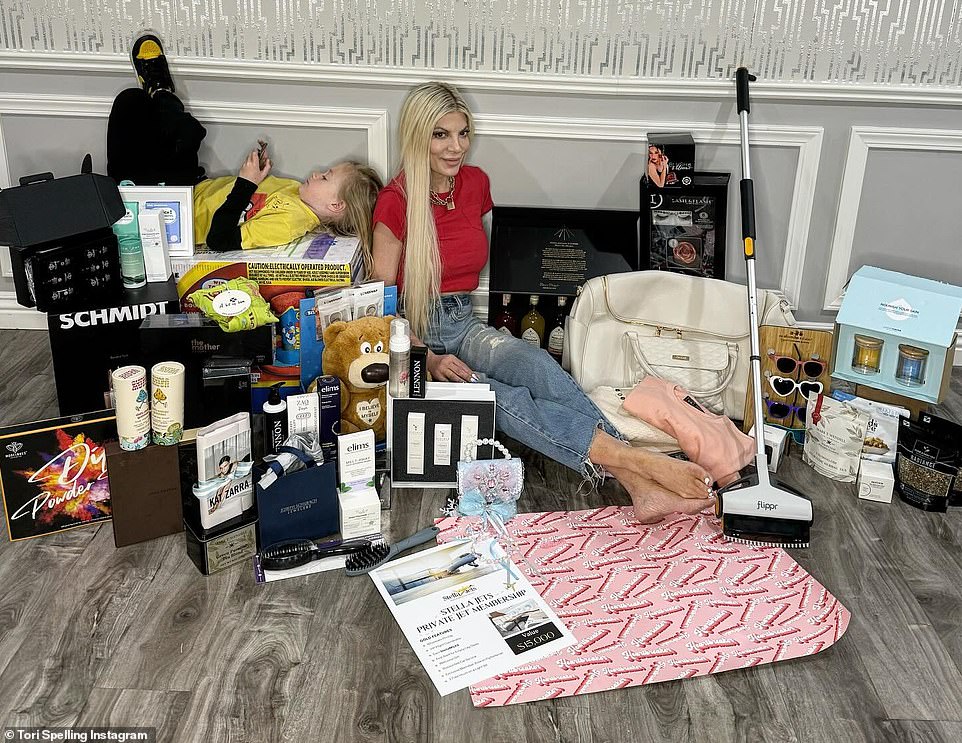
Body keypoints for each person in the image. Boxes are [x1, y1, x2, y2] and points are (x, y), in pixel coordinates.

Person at [370, 81, 716, 523]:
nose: (456, 148)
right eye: (441, 135)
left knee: (537, 366)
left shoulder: (475, 185)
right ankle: (641, 466)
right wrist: (428, 359)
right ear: (418, 136)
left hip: (463, 323)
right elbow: (381, 302)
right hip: (416, 340)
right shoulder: (395, 202)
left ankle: (635, 479)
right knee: (499, 397)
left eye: (463, 133)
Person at [107, 33, 383, 259]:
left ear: (336, 205)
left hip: (171, 212)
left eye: (325, 177)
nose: (316, 173)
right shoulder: (297, 194)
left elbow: (220, 239)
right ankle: (160, 91)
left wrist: (246, 183)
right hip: (193, 184)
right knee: (178, 128)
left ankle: (160, 94)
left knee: (130, 103)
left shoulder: (289, 222)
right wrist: (258, 174)